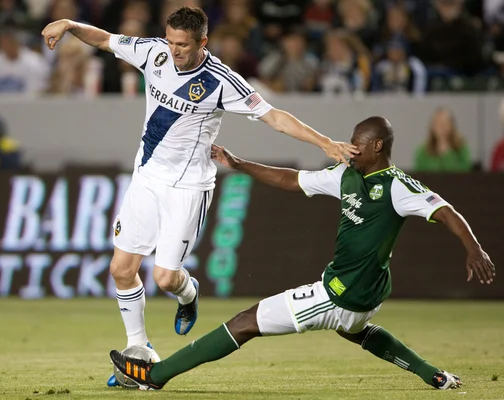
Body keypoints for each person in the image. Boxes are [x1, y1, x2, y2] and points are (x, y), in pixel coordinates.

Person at [41, 6, 357, 387]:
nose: (174, 51)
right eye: (172, 41)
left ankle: (188, 294)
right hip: (146, 180)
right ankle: (138, 349)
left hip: (189, 188)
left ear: (202, 42)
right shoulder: (153, 52)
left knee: (164, 277)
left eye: (183, 45)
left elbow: (274, 116)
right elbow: (106, 40)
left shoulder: (221, 80)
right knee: (120, 270)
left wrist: (323, 141)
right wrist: (71, 24)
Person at [110, 116, 496, 391]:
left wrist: (474, 248)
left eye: (358, 144)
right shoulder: (346, 174)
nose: (350, 148)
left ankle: (154, 376)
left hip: (339, 293)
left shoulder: (396, 187)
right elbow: (291, 179)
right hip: (366, 295)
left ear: (378, 146)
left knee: (246, 322)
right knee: (355, 329)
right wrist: (240, 164)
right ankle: (434, 375)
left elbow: (445, 211)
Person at [414, 107, 472, 172]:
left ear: (451, 126)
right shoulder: (422, 151)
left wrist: (448, 155)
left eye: (445, 124)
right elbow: (419, 175)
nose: (442, 128)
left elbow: (465, 172)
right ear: (432, 127)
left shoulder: (461, 147)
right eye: (438, 124)